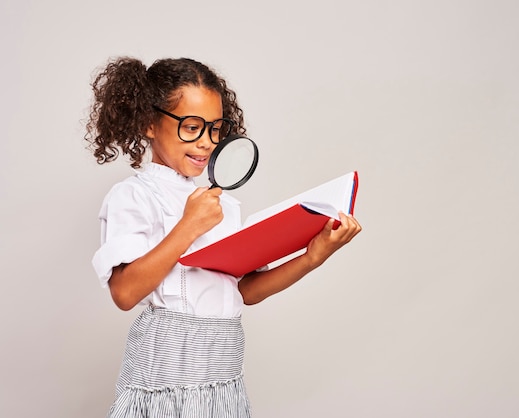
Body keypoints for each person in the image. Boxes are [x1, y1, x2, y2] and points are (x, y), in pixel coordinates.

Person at [84, 56, 362, 417]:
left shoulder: (223, 205)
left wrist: (312, 256)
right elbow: (124, 292)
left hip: (223, 373)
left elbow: (243, 292)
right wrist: (188, 227)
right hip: (169, 373)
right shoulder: (134, 195)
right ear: (149, 123)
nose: (205, 143)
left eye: (215, 129)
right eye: (191, 127)